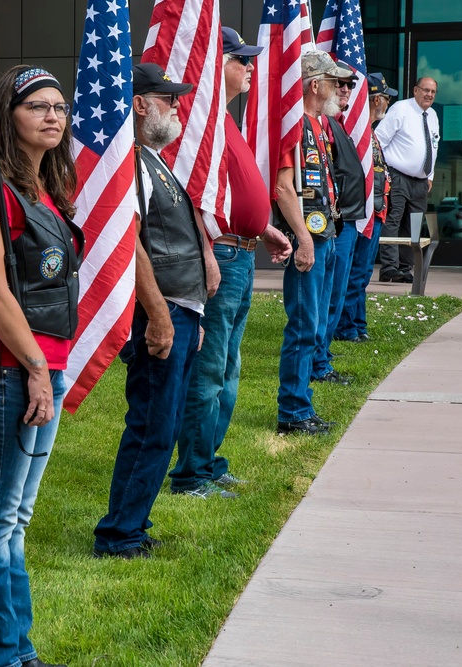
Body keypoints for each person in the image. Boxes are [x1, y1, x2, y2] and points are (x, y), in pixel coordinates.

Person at [0, 65, 83, 667]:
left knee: (18, 518)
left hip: (40, 368)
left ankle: (16, 650)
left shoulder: (45, 193)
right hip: (9, 371)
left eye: (59, 106)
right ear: (8, 115)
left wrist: (47, 368)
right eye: (38, 106)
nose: (53, 116)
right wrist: (36, 368)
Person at [93, 62, 212, 557]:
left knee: (163, 425)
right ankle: (119, 535)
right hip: (157, 314)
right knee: (152, 426)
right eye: (168, 97)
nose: (177, 104)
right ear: (140, 103)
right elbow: (130, 241)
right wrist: (161, 315)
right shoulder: (131, 162)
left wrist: (195, 311)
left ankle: (132, 524)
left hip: (182, 310)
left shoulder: (153, 158)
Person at [168, 27, 291, 498]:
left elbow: (232, 191)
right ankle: (192, 473)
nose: (250, 67)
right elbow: (187, 197)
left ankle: (209, 462)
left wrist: (264, 228)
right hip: (221, 252)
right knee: (210, 368)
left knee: (228, 367)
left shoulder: (224, 120)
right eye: (241, 60)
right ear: (216, 64)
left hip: (241, 249)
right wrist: (207, 250)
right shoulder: (200, 123)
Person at [272, 51, 352, 435]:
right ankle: (293, 411)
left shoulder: (319, 126)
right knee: (304, 325)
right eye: (334, 81)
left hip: (327, 235)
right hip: (310, 241)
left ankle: (302, 404)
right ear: (314, 84)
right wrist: (303, 239)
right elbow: (283, 188)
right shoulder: (296, 127)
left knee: (317, 323)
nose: (340, 88)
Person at [311, 72, 366, 386]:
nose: (345, 89)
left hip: (345, 220)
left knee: (335, 294)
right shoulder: (323, 124)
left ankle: (323, 356)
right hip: (333, 221)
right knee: (327, 297)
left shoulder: (336, 122)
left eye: (349, 85)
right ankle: (319, 363)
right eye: (339, 84)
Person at [336, 73, 396, 342]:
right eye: (385, 97)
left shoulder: (370, 134)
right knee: (356, 272)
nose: (387, 102)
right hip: (364, 212)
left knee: (363, 274)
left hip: (377, 210)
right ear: (375, 100)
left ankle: (358, 324)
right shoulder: (357, 132)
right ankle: (347, 328)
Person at [376, 76, 439, 283]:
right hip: (397, 175)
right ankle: (389, 268)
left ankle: (405, 268)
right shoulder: (401, 109)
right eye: (425, 90)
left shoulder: (432, 116)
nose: (429, 94)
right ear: (415, 90)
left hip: (420, 182)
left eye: (433, 92)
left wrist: (429, 176)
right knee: (393, 220)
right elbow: (379, 140)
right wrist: (382, 172)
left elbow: (433, 146)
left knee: (413, 226)